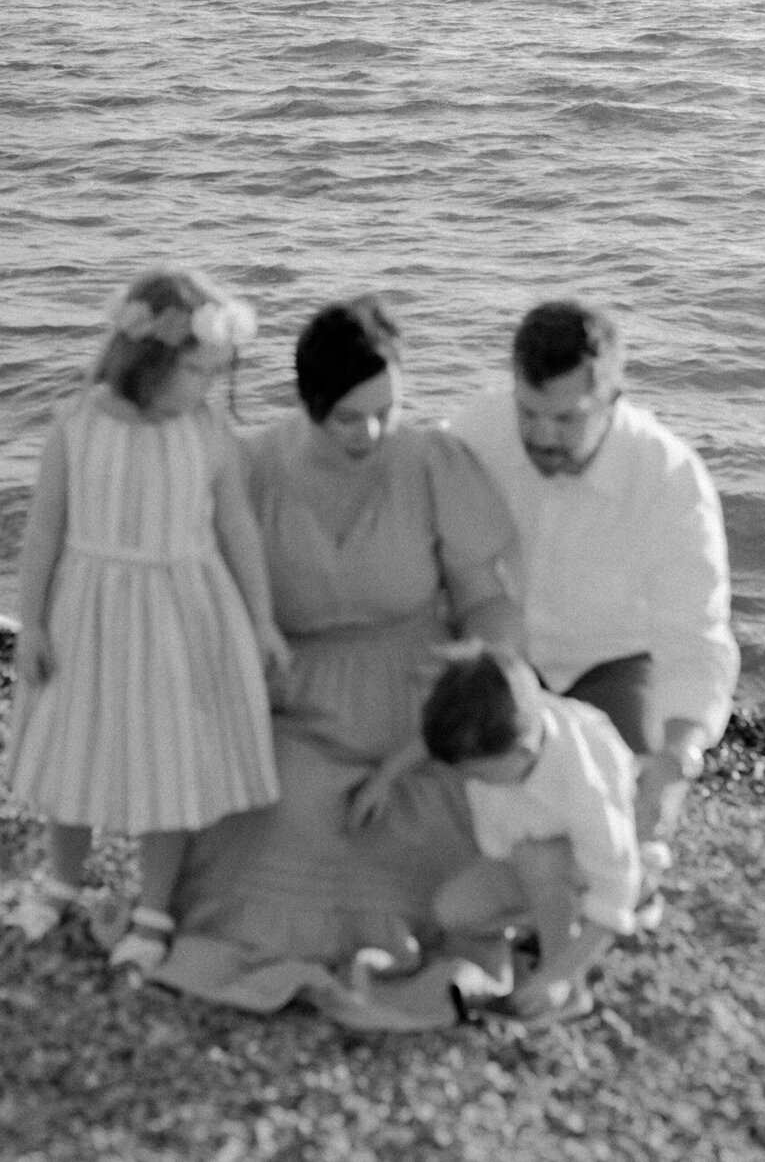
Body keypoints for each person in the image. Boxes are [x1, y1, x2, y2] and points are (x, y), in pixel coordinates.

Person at [155, 295, 527, 1026]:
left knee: (419, 831)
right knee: (285, 819)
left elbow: (491, 600)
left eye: (387, 408)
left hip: (420, 704)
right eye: (349, 416)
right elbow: (208, 603)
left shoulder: (431, 462)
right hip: (294, 706)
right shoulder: (251, 468)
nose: (373, 431)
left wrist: (479, 666)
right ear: (309, 400)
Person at [6, 267, 289, 974]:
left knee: (172, 760)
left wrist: (261, 622)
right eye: (198, 370)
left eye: (216, 373)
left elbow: (239, 532)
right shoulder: (78, 422)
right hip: (90, 609)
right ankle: (62, 880)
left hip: (183, 613)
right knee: (77, 746)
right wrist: (32, 623)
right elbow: (44, 531)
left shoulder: (207, 429)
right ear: (150, 359)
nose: (208, 386)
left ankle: (155, 903)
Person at [448, 299, 739, 860]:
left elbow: (696, 633)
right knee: (454, 819)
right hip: (505, 657)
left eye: (566, 419)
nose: (542, 437)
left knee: (611, 831)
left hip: (612, 663)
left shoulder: (668, 475)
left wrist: (677, 758)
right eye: (528, 413)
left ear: (612, 401)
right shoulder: (475, 431)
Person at [420, 646, 640, 1026]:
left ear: (521, 754)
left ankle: (567, 990)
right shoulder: (505, 722)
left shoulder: (584, 783)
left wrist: (558, 976)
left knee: (538, 859)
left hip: (591, 869)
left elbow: (616, 890)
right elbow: (435, 744)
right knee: (451, 912)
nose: (468, 781)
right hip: (520, 860)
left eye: (479, 775)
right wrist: (383, 779)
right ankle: (538, 932)